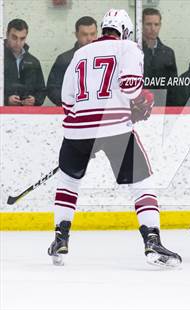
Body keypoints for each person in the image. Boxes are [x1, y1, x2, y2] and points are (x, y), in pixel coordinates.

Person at [47, 9, 181, 268]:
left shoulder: (80, 53)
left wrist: (87, 127)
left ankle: (60, 238)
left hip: (77, 130)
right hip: (116, 129)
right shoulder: (128, 47)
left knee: (68, 182)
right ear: (125, 30)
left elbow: (67, 98)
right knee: (142, 183)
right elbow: (130, 85)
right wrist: (140, 101)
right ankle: (152, 239)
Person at [47, 16, 98, 106]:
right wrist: (70, 104)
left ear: (97, 33)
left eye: (93, 34)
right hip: (72, 112)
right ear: (76, 35)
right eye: (85, 34)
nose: (89, 38)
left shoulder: (106, 59)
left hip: (98, 112)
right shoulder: (64, 59)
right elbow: (52, 89)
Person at [4, 19, 46, 106]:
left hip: (28, 114)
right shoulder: (1, 58)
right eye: (14, 37)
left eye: (22, 38)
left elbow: (41, 90)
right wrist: (6, 99)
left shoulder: (33, 61)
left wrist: (35, 100)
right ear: (7, 34)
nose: (18, 43)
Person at [142, 8, 178, 106]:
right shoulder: (133, 51)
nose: (153, 28)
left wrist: (171, 113)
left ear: (160, 26)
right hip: (138, 108)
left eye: (156, 24)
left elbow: (173, 87)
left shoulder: (168, 53)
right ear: (141, 25)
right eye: (148, 24)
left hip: (161, 107)